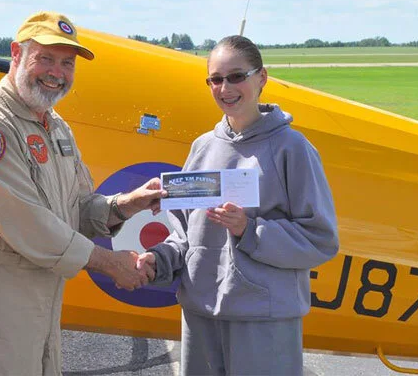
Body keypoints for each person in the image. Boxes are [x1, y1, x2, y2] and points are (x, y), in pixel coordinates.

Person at [0, 11, 165, 376]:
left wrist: (126, 204)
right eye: (44, 58)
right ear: (16, 54)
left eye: (66, 63)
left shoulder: (54, 124)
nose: (56, 72)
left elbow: (74, 207)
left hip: (41, 285)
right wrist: (110, 264)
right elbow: (27, 223)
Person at [137, 35, 339, 375]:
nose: (225, 87)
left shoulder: (293, 148)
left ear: (261, 78)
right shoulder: (202, 147)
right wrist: (158, 260)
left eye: (236, 76)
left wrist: (249, 229)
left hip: (263, 319)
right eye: (215, 79)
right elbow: (185, 234)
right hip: (200, 315)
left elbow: (321, 239)